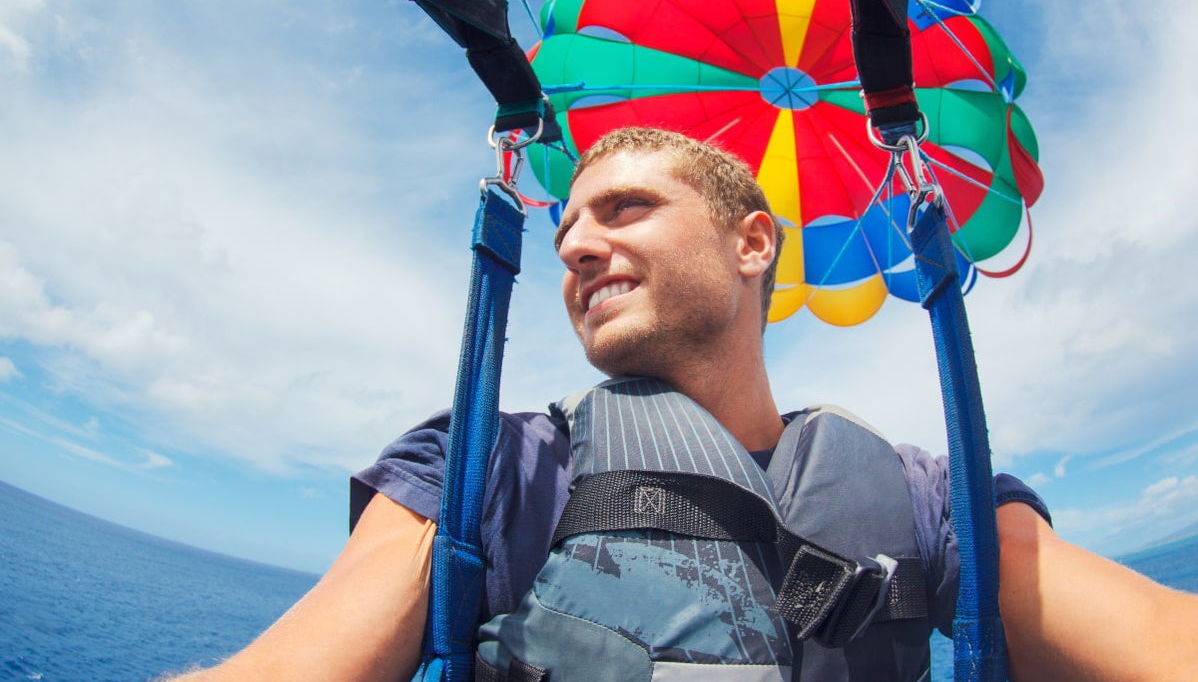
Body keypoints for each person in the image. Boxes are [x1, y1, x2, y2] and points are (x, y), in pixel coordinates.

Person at [173, 128, 1198, 681]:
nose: (576, 243)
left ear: (753, 244)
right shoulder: (490, 463)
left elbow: (1154, 640)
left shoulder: (927, 497)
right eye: (569, 222)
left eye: (625, 208)